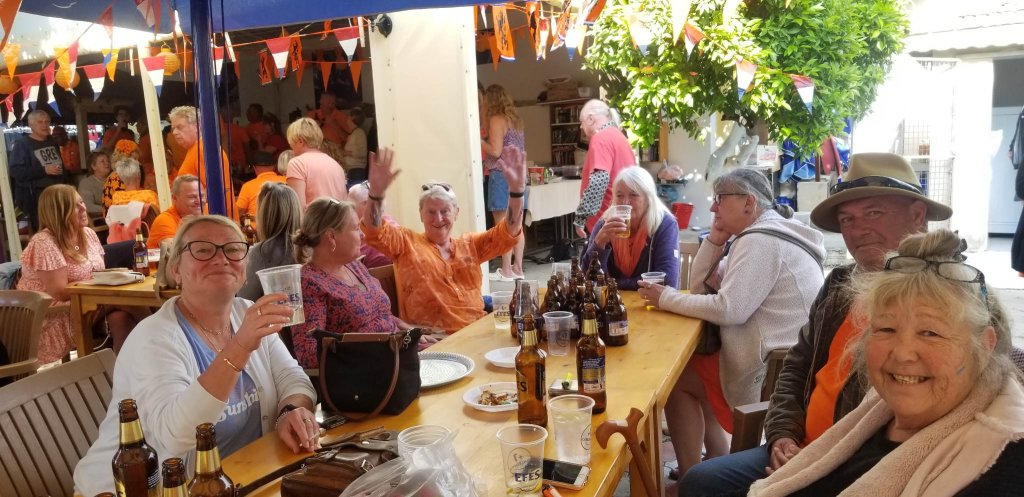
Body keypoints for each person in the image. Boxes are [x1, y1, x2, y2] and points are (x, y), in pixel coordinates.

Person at [678, 153, 953, 497]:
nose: (858, 229)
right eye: (847, 219)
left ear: (918, 215)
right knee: (699, 482)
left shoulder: (946, 298)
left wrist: (820, 465)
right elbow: (797, 365)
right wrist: (782, 434)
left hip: (859, 469)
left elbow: (926, 425)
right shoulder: (840, 284)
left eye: (874, 213)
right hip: (799, 448)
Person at [747, 229, 1024, 496]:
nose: (902, 354)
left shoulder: (1003, 465)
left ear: (985, 346)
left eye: (930, 333)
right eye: (886, 329)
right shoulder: (875, 407)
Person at [73, 215, 318, 496]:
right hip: (138, 489)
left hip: (243, 477)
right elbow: (177, 436)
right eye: (203, 250)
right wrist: (240, 346)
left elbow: (294, 379)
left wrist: (289, 412)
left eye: (233, 249)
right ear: (176, 270)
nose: (221, 258)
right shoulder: (153, 338)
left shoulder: (245, 312)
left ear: (245, 269)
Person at [639, 167, 826, 480]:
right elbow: (701, 289)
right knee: (694, 365)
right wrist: (715, 240)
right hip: (783, 363)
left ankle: (693, 476)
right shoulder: (766, 233)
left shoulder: (760, 242)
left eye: (720, 198)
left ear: (748, 203)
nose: (713, 207)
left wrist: (665, 298)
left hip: (774, 376)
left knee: (677, 379)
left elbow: (729, 310)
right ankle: (714, 458)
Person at [362, 146, 525, 333]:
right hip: (436, 340)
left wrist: (516, 192)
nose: (438, 219)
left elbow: (509, 232)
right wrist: (376, 194)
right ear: (420, 214)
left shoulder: (470, 244)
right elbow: (373, 230)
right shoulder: (406, 243)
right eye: (431, 212)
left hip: (477, 332)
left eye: (445, 211)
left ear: (456, 213)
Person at [290, 198, 423, 368]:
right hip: (371, 373)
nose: (362, 235)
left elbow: (381, 315)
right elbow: (309, 355)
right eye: (355, 228)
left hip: (399, 355)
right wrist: (374, 350)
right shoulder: (308, 284)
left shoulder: (354, 266)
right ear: (331, 237)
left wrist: (411, 332)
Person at [16, 185, 138, 361]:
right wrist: (101, 287)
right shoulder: (44, 242)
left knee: (121, 319)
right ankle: (161, 335)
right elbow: (60, 292)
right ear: (58, 212)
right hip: (52, 317)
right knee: (129, 300)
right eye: (75, 205)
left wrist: (105, 285)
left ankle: (123, 373)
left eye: (81, 202)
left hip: (88, 303)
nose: (83, 208)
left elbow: (100, 273)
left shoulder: (88, 234)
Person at [582, 166, 680, 290]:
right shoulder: (605, 224)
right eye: (619, 195)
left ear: (648, 199)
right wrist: (599, 244)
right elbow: (587, 278)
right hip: (611, 301)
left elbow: (667, 280)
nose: (625, 202)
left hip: (648, 300)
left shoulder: (664, 224)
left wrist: (615, 284)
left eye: (633, 195)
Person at [482, 84, 528, 280]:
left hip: (501, 175)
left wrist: (479, 140)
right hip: (518, 174)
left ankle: (506, 269)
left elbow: (495, 151)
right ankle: (518, 268)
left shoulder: (496, 119)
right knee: (516, 223)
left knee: (502, 223)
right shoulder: (515, 121)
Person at [572, 99, 635, 239]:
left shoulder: (600, 138)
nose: (581, 127)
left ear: (591, 119)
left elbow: (599, 180)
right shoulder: (619, 136)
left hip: (606, 222)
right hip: (622, 218)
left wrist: (581, 217)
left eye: (582, 122)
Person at [238, 183, 301, 301]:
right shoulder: (312, 246)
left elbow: (245, 298)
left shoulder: (261, 252)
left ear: (263, 215)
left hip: (276, 312)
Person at [170, 105, 235, 219]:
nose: (174, 132)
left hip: (212, 220)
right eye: (173, 128)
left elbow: (212, 192)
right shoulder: (197, 149)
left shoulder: (203, 149)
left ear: (197, 126)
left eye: (179, 127)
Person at [10, 110, 68, 231]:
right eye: (40, 122)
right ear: (31, 125)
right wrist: (44, 170)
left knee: (62, 228)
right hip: (36, 198)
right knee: (45, 231)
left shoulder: (52, 142)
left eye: (47, 122)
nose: (44, 125)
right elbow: (16, 171)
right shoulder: (22, 144)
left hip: (57, 194)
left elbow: (60, 165)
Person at [285, 117, 348, 208]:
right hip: (338, 216)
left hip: (314, 217)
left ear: (300, 141)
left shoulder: (296, 163)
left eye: (292, 143)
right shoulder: (335, 164)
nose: (292, 148)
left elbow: (298, 207)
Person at [348, 181, 393, 269]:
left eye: (351, 206)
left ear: (366, 204)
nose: (349, 211)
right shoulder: (390, 221)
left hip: (373, 275)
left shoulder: (358, 231)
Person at [149, 175, 203, 249]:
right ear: (174, 198)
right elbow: (176, 251)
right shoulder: (164, 220)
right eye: (192, 197)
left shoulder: (209, 211)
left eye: (202, 196)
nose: (199, 201)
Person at [236, 151, 287, 220]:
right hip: (282, 225)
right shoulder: (287, 180)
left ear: (254, 168)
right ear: (274, 167)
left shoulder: (248, 186)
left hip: (256, 226)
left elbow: (238, 212)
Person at [78, 151, 111, 218]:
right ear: (93, 166)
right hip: (98, 219)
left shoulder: (114, 179)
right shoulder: (86, 183)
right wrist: (111, 210)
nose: (107, 163)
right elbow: (88, 206)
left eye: (108, 161)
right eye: (102, 161)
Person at [342, 107, 369, 183]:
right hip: (352, 171)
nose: (347, 118)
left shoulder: (359, 133)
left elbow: (362, 153)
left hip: (356, 171)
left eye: (349, 116)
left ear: (353, 118)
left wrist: (344, 153)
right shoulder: (354, 133)